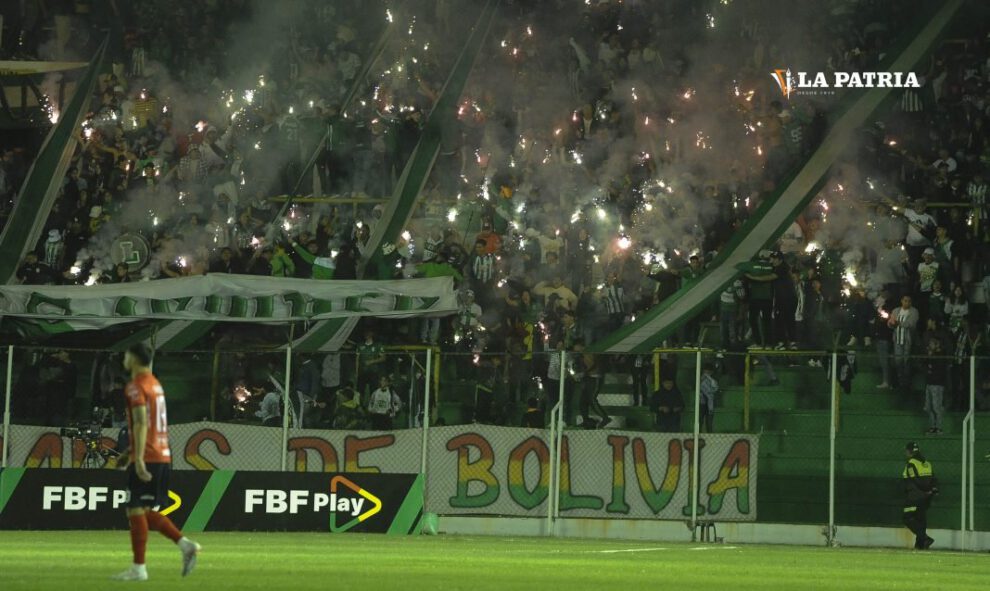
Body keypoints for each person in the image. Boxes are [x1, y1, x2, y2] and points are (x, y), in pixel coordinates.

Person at [113, 343, 200, 581]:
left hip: (148, 455)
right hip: (161, 453)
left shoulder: (135, 386)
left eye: (126, 355)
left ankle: (139, 569)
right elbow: (149, 424)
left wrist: (137, 458)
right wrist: (130, 452)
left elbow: (141, 423)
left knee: (134, 509)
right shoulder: (155, 384)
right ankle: (184, 545)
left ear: (133, 358)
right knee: (142, 510)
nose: (124, 360)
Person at [902, 442, 938, 550]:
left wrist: (924, 491)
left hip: (915, 496)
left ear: (909, 451)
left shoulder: (911, 464)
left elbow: (915, 480)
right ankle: (920, 545)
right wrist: (932, 490)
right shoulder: (927, 463)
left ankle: (925, 538)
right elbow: (933, 479)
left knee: (907, 518)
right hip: (927, 497)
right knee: (921, 519)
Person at [923, 339, 946, 435]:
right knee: (929, 407)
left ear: (937, 345)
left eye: (931, 344)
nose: (929, 345)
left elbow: (938, 367)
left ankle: (939, 428)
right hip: (929, 383)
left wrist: (931, 356)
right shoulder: (930, 355)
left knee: (937, 407)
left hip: (937, 384)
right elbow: (924, 364)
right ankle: (932, 427)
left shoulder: (941, 355)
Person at [699, 364, 719, 433]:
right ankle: (698, 434)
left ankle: (710, 435)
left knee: (709, 421)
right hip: (701, 402)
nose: (707, 373)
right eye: (706, 371)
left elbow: (715, 389)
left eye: (709, 371)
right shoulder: (699, 378)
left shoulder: (713, 380)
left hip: (710, 403)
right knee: (700, 420)